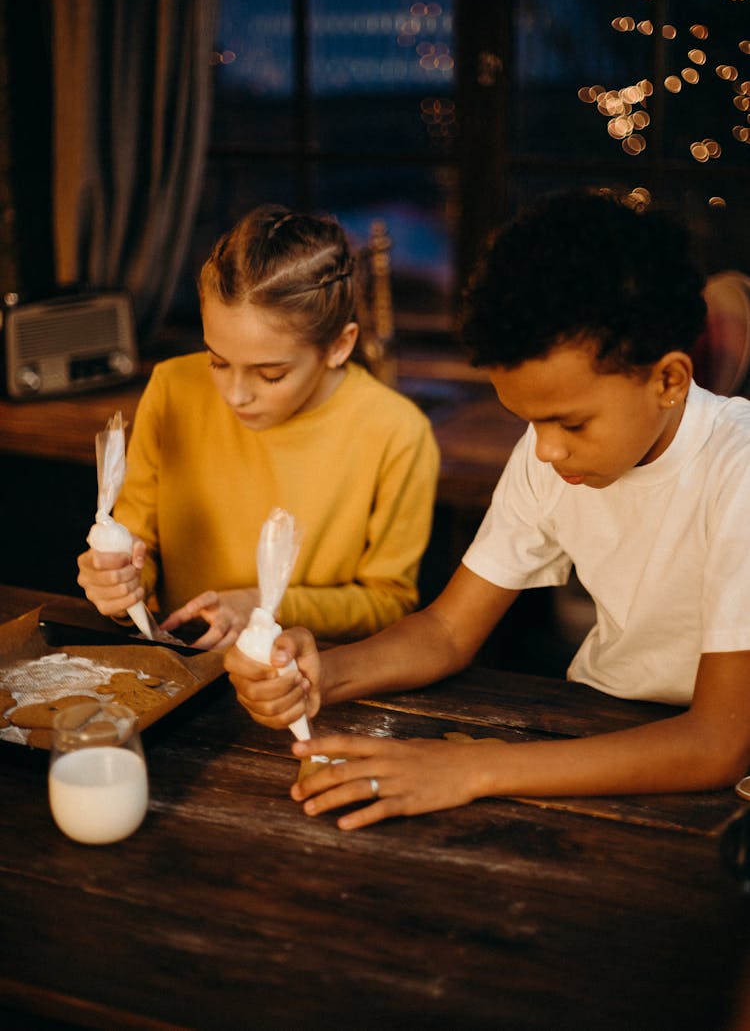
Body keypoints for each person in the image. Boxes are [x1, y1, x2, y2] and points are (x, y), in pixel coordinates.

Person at [224, 188, 750, 830]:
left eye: (571, 423)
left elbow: (717, 744)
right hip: (600, 728)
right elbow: (448, 631)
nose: (547, 449)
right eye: (527, 420)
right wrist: (321, 676)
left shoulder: (737, 469)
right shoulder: (548, 450)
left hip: (707, 787)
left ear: (668, 380)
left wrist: (472, 771)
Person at [77, 205, 439, 650]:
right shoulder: (174, 389)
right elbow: (139, 544)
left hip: (305, 674)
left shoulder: (397, 432)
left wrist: (268, 605)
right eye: (217, 361)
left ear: (339, 346)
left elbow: (389, 602)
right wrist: (119, 581)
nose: (235, 395)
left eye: (271, 374)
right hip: (179, 656)